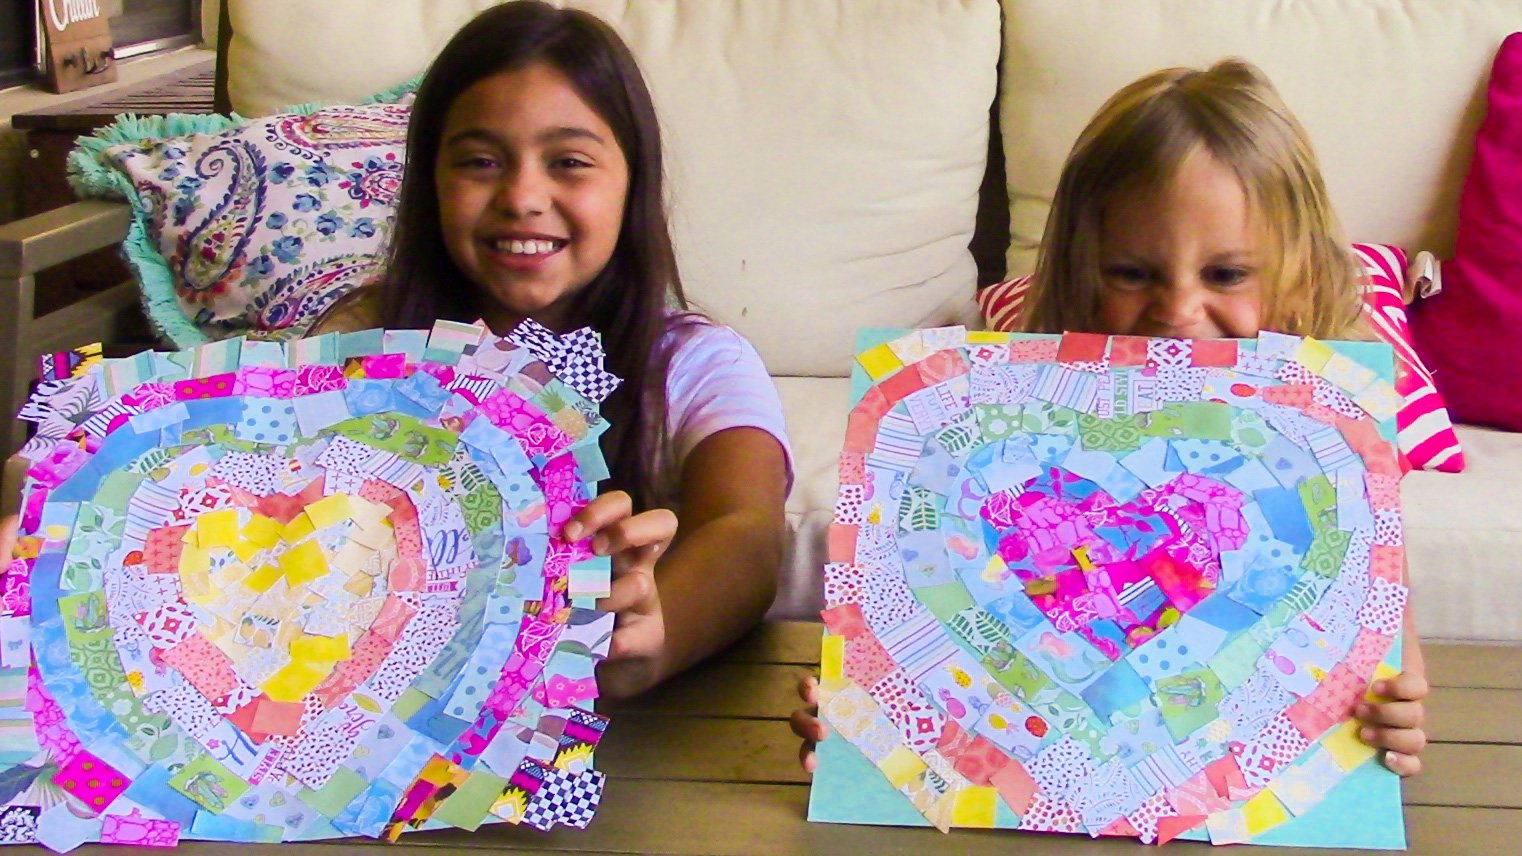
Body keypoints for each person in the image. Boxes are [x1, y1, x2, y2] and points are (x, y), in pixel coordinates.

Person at [2, 1, 792, 702]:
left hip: (611, 737)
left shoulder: (693, 361)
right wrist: (61, 524)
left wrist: (648, 642)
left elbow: (749, 530)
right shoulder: (360, 338)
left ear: (633, 185)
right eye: (480, 161)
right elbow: (230, 496)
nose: (521, 194)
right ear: (428, 182)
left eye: (570, 162)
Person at [792, 58, 1428, 777]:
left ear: (1301, 271)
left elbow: (1377, 641)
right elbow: (925, 623)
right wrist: (864, 714)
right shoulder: (995, 446)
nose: (1178, 312)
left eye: (1225, 274)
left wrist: (1394, 719)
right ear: (1077, 268)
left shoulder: (1335, 458)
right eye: (1132, 272)